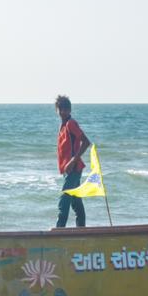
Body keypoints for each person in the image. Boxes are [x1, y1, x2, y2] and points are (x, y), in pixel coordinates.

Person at [55, 95, 91, 228]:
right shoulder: (63, 125)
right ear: (57, 110)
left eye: (66, 109)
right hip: (69, 170)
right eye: (60, 109)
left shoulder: (71, 124)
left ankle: (59, 230)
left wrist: (72, 161)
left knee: (64, 199)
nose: (63, 112)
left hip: (74, 169)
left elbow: (86, 142)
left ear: (70, 110)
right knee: (76, 202)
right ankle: (81, 229)